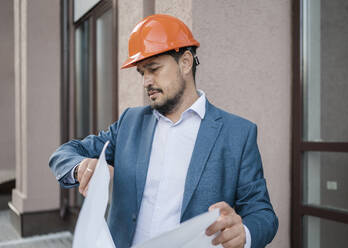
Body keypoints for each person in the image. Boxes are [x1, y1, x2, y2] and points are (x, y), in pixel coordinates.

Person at [49, 14, 278, 248]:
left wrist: (244, 234)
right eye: (141, 73)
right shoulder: (130, 123)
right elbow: (64, 154)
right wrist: (80, 168)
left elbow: (262, 213)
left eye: (154, 69)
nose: (146, 81)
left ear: (186, 62)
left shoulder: (237, 134)